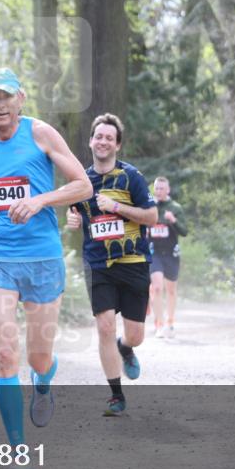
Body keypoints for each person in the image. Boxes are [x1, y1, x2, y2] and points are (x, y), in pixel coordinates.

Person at [0, 67, 91, 469]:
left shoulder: (42, 134)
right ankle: (19, 456)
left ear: (20, 99)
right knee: (6, 354)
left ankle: (43, 382)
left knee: (37, 358)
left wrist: (41, 199)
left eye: (6, 97)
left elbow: (82, 185)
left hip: (42, 259)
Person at [66, 113, 157, 416]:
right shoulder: (81, 180)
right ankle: (116, 395)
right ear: (91, 141)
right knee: (104, 326)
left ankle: (126, 347)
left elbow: (151, 217)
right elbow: (74, 213)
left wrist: (117, 206)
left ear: (117, 145)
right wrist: (73, 219)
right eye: (98, 136)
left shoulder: (131, 177)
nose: (103, 141)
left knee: (135, 335)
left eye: (109, 137)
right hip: (98, 264)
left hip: (134, 262)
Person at [149, 176, 188, 337]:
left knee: (171, 289)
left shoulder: (175, 207)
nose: (158, 191)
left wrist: (173, 221)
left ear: (168, 190)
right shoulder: (149, 206)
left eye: (161, 188)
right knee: (157, 287)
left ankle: (170, 321)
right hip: (154, 253)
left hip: (171, 254)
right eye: (156, 188)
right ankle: (159, 324)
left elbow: (184, 231)